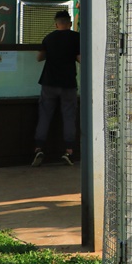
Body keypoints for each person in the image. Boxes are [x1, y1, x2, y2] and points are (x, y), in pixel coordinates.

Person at [32, 9, 81, 166]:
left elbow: (39, 58)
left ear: (56, 24)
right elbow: (80, 59)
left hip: (48, 82)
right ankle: (69, 151)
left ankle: (38, 148)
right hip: (68, 84)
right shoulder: (76, 37)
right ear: (70, 24)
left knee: (45, 115)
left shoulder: (49, 37)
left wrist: (52, 53)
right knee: (69, 116)